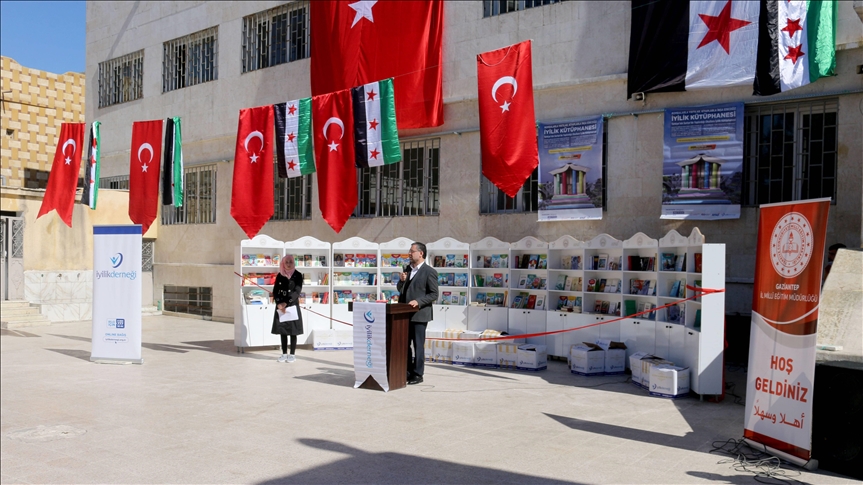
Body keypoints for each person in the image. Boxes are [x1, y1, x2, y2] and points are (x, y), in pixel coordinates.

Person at [397, 242, 439, 385]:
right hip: (404, 313)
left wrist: (419, 301)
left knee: (418, 345)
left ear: (421, 253)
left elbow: (434, 294)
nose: (409, 253)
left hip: (419, 314)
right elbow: (401, 290)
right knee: (405, 344)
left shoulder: (429, 271)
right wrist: (401, 281)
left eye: (412, 251)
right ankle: (407, 371)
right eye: (409, 251)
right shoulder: (407, 269)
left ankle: (418, 374)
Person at [271, 254, 304, 363]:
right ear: (283, 263)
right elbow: (275, 291)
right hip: (281, 305)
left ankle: (292, 354)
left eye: (290, 262)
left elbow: (297, 291)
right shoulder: (280, 275)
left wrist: (286, 302)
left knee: (293, 330)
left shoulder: (298, 275)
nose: (288, 264)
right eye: (286, 262)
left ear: (293, 263)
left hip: (292, 305)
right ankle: (284, 353)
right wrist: (279, 303)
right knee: (283, 330)